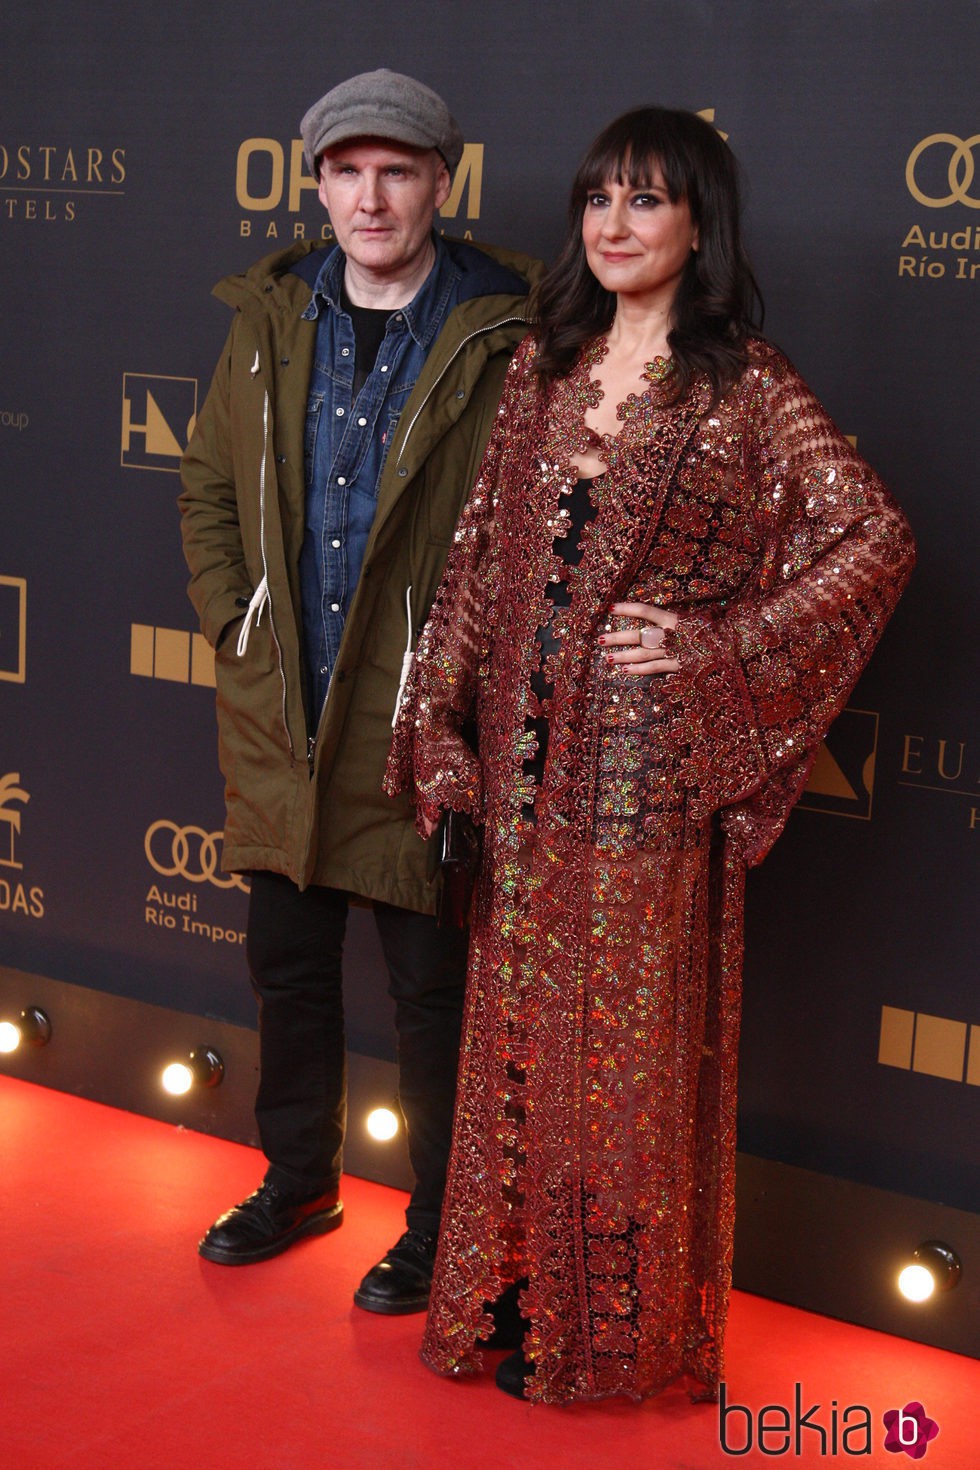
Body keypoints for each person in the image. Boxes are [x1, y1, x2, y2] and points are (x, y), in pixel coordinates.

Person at [386, 106, 915, 1399]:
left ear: (697, 225)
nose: (615, 226)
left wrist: (718, 643)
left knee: (619, 1064)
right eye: (598, 199)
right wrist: (440, 737)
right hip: (517, 785)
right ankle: (511, 1297)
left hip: (640, 781)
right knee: (514, 1048)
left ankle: (606, 1336)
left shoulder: (744, 385)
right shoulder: (543, 369)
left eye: (647, 202)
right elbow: (475, 569)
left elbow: (875, 540)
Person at [178, 69, 542, 1313]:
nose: (370, 196)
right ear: (317, 184)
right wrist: (240, 624)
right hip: (283, 709)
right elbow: (208, 492)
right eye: (345, 171)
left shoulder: (506, 326)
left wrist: (475, 692)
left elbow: (538, 530)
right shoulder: (270, 314)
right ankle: (298, 1181)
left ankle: (440, 1225)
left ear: (443, 181)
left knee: (433, 993)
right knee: (286, 967)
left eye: (397, 170)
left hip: (424, 722)